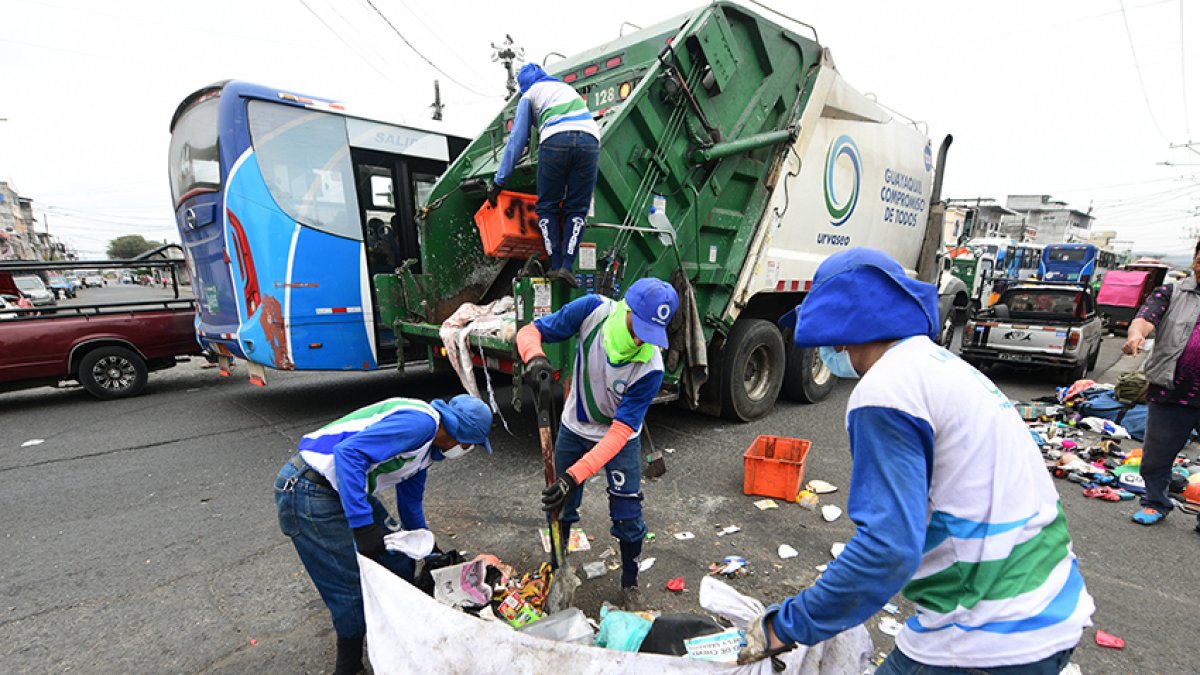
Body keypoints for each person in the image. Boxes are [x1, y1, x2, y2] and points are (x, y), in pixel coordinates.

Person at [739, 248, 1093, 673]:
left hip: (986, 631)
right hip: (1050, 606)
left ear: (842, 325)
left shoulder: (887, 391)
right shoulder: (944, 368)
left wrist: (785, 627)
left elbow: (886, 550)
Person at [275, 395, 494, 675]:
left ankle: (400, 638)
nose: (466, 450)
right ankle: (349, 667)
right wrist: (363, 526)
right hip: (309, 489)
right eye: (469, 445)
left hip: (340, 490)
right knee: (351, 589)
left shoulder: (425, 453)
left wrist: (432, 552)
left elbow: (410, 505)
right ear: (458, 435)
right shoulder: (421, 424)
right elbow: (348, 454)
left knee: (399, 561)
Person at [516, 277, 678, 609]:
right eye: (639, 326)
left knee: (628, 517)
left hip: (619, 439)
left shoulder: (651, 367)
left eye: (651, 332)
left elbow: (618, 435)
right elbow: (528, 331)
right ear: (627, 309)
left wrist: (572, 476)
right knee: (559, 508)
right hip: (575, 427)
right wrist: (533, 357)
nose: (640, 338)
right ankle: (559, 567)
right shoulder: (592, 311)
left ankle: (630, 581)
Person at [489, 63, 600, 289]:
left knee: (547, 206)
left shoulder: (529, 94)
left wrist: (499, 182)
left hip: (556, 140)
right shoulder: (565, 89)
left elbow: (517, 141)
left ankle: (555, 263)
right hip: (590, 141)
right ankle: (567, 266)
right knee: (577, 208)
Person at [1123, 242, 1200, 530]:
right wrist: (1135, 336)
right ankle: (1155, 502)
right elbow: (1146, 318)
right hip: (1171, 390)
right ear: (1194, 260)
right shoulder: (1171, 292)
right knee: (1156, 455)